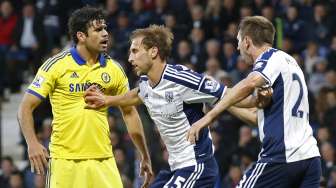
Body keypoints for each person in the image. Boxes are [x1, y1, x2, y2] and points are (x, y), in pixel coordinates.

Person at [83, 25, 268, 188]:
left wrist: (255, 100)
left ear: (153, 52)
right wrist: (107, 100)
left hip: (197, 167)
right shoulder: (147, 82)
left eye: (135, 51)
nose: (130, 58)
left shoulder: (181, 79)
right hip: (176, 168)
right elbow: (137, 94)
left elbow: (227, 95)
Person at [17, 6, 152, 188]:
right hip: (65, 162)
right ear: (81, 36)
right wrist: (32, 143)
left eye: (105, 28)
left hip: (103, 160)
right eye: (98, 30)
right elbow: (25, 107)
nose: (105, 34)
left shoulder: (114, 69)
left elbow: (129, 112)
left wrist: (144, 154)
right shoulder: (56, 66)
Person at [187, 16, 321, 188]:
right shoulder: (289, 62)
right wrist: (218, 94)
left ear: (247, 41)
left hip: (281, 157)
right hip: (310, 157)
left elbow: (249, 83)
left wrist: (208, 118)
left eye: (238, 41)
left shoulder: (269, 58)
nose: (237, 47)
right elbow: (254, 113)